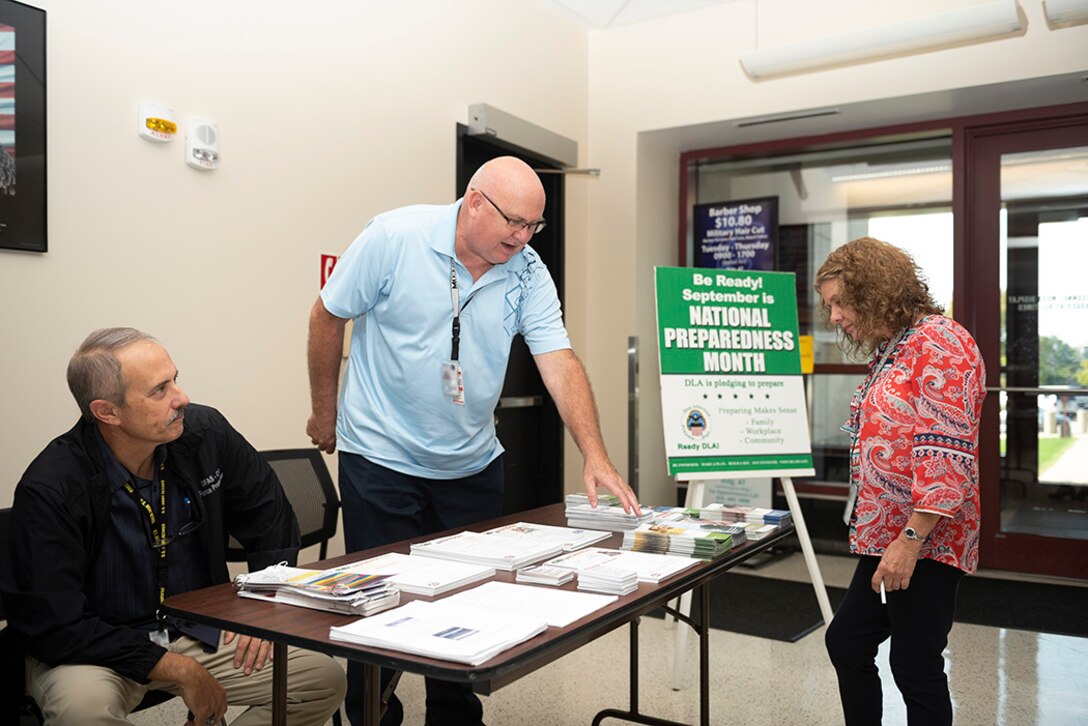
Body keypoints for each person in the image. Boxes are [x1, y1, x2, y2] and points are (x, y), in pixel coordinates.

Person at [307, 156, 639, 726]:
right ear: (474, 201)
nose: (522, 236)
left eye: (534, 226)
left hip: (472, 464)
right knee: (382, 605)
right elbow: (326, 316)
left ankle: (454, 720)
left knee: (468, 604)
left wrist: (596, 454)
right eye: (514, 221)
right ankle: (371, 714)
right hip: (381, 457)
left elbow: (558, 361)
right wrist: (323, 411)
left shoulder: (528, 270)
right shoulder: (394, 237)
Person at [1, 328, 346, 726]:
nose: (181, 398)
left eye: (175, 380)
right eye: (160, 390)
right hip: (95, 647)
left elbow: (270, 515)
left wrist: (265, 608)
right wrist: (178, 669)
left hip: (193, 628)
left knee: (321, 679)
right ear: (107, 412)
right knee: (84, 712)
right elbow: (55, 624)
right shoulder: (53, 486)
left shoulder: (204, 434)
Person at [815, 238, 986, 726]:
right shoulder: (894, 346)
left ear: (873, 291)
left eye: (839, 302)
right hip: (888, 534)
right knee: (847, 641)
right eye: (829, 305)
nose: (835, 317)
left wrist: (910, 540)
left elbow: (947, 454)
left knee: (915, 665)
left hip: (925, 537)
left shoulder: (941, 342)